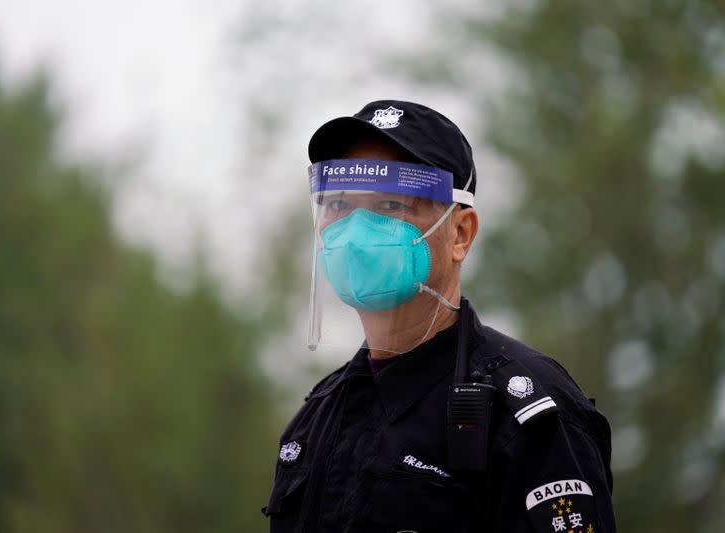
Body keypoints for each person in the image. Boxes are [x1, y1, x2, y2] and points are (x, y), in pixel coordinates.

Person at [263, 100, 616, 532]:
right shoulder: (313, 422)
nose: (356, 231)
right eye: (338, 205)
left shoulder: (526, 415)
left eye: (391, 205)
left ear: (460, 234)